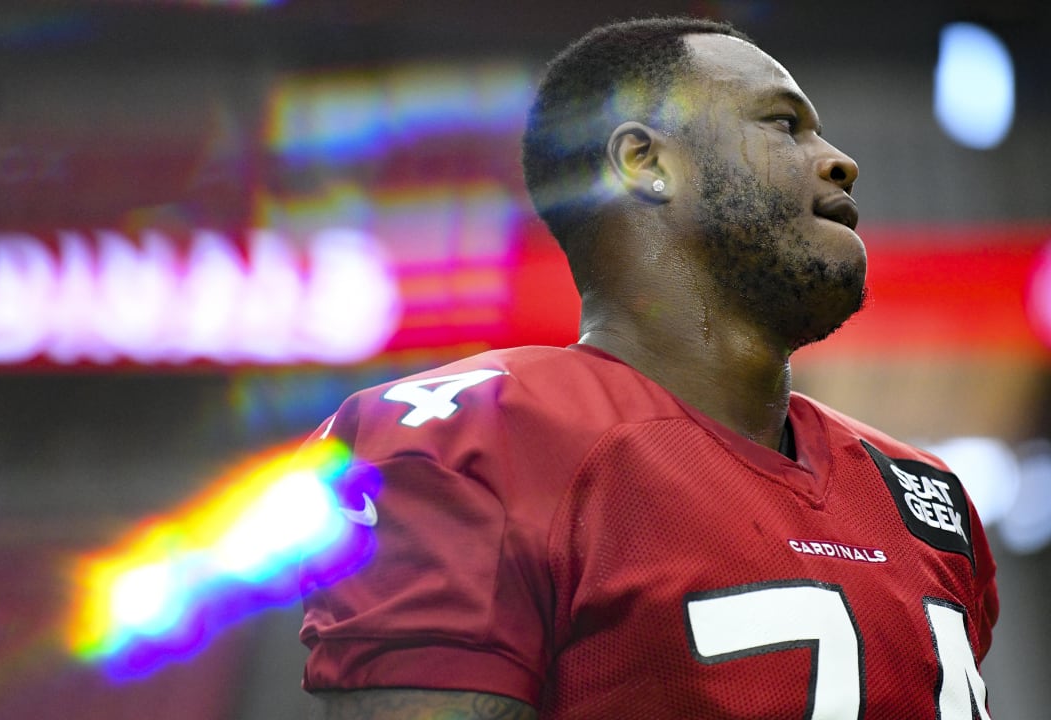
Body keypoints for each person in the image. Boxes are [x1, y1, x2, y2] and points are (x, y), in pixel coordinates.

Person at [297, 16, 998, 719]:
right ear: (645, 161)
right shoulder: (476, 438)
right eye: (785, 124)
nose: (839, 160)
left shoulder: (920, 490)